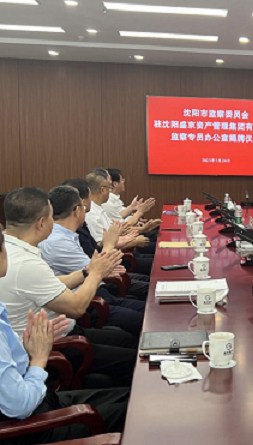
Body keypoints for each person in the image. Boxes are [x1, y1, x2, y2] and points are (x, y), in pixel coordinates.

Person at [0, 187, 137, 387]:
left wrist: (86, 272)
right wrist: (96, 274)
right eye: (51, 217)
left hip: (55, 335)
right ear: (41, 223)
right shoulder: (26, 263)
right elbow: (76, 307)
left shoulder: (10, 248)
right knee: (133, 361)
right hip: (50, 348)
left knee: (126, 340)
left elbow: (50, 284)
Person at [0, 296, 129, 444]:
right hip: (29, 429)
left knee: (129, 396)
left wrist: (34, 346)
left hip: (36, 397)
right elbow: (20, 406)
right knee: (133, 411)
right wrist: (39, 359)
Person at [39, 186, 145, 336]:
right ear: (77, 211)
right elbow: (98, 269)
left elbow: (95, 269)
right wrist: (110, 244)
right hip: (88, 303)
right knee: (144, 320)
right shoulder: (58, 241)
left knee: (148, 309)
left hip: (95, 293)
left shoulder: (67, 234)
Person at [62, 178, 153, 284]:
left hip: (111, 262)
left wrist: (117, 239)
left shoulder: (87, 220)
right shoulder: (89, 218)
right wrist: (114, 243)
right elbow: (94, 266)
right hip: (103, 276)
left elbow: (101, 244)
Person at [85, 168, 156, 255]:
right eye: (109, 188)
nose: (111, 192)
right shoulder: (92, 214)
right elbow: (101, 248)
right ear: (103, 190)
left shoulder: (99, 208)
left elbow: (117, 232)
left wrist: (140, 230)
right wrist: (134, 241)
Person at [103, 168, 161, 236]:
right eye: (122, 180)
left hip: (131, 230)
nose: (124, 182)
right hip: (126, 236)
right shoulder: (107, 202)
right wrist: (140, 212)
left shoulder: (114, 198)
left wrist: (132, 208)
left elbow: (121, 215)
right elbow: (123, 227)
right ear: (115, 184)